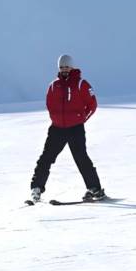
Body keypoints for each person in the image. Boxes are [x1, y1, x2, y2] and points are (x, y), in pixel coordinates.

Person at [29, 54, 107, 202]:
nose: (64, 69)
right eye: (61, 67)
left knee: (81, 158)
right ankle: (36, 188)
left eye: (67, 67)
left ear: (72, 67)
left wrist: (81, 118)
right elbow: (49, 104)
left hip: (75, 129)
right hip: (57, 129)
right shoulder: (54, 85)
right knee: (46, 158)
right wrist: (55, 118)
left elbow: (92, 104)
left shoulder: (81, 84)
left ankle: (95, 188)